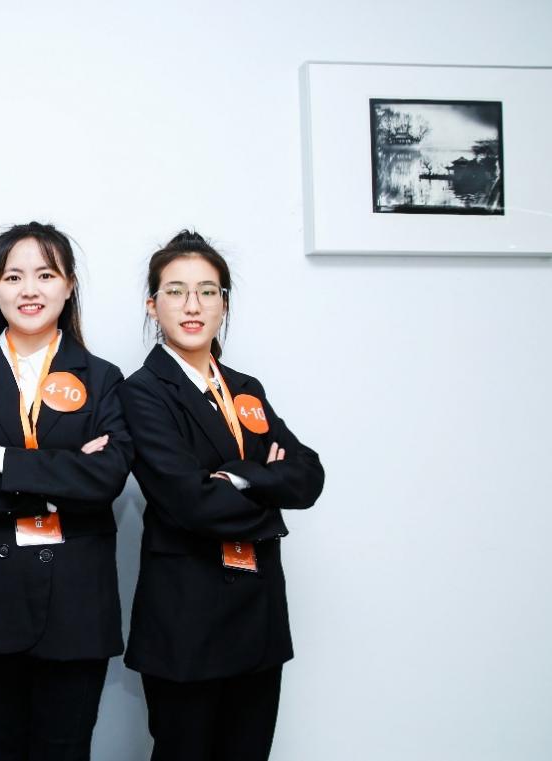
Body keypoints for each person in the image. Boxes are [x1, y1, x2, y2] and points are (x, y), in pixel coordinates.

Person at [0, 222, 133, 761]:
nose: (29, 290)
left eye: (46, 275)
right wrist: (66, 474)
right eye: (13, 276)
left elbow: (106, 478)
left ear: (69, 286)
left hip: (75, 601)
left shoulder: (103, 377)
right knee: (3, 749)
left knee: (66, 750)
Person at [119, 231, 325, 761]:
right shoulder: (141, 392)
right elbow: (191, 502)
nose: (193, 306)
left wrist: (236, 477)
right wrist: (264, 478)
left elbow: (308, 476)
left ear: (224, 303)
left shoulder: (245, 387)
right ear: (153, 304)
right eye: (176, 291)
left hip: (258, 612)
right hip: (187, 616)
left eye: (207, 291)